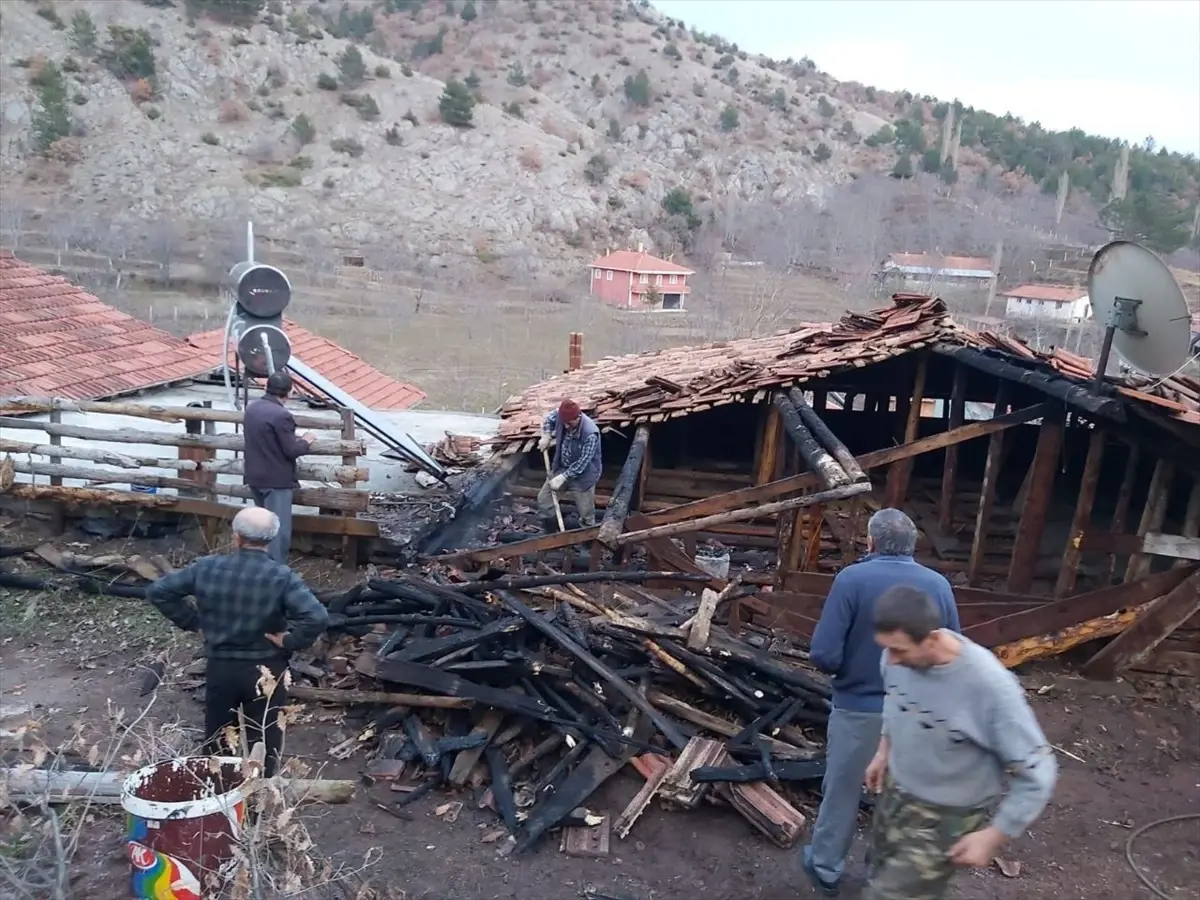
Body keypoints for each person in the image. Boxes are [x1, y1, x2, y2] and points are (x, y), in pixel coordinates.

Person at [801, 508, 961, 897]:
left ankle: (825, 868)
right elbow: (954, 652)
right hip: (916, 715)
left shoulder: (851, 580)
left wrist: (850, 668)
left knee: (841, 790)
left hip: (857, 710)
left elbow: (824, 653)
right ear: (913, 545)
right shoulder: (938, 585)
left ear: (870, 542)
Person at [863, 584, 1057, 900]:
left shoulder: (990, 689)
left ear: (933, 638)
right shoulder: (895, 658)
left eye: (899, 650)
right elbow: (896, 700)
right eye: (886, 648)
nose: (890, 660)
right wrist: (884, 751)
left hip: (945, 818)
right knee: (877, 870)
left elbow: (1039, 773)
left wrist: (995, 835)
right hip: (897, 795)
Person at [146, 507, 329, 777]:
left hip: (221, 666)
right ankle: (260, 792)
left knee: (218, 734)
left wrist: (193, 622)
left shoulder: (207, 568)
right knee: (265, 735)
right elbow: (317, 617)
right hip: (266, 671)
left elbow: (159, 591)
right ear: (272, 539)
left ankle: (217, 791)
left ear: (237, 537)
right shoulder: (281, 577)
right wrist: (289, 640)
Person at [243, 370, 316, 563]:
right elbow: (291, 450)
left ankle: (258, 567)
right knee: (277, 530)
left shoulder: (252, 409)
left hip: (254, 476)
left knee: (260, 530)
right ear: (289, 392)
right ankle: (276, 572)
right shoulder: (282, 415)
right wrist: (306, 441)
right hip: (276, 481)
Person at [536, 397, 602, 531]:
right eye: (564, 422)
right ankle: (551, 533)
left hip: (584, 475)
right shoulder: (562, 415)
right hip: (561, 467)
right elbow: (549, 418)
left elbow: (583, 463)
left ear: (578, 417)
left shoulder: (590, 433)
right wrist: (547, 435)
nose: (565, 426)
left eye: (569, 423)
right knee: (544, 501)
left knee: (586, 514)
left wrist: (563, 477)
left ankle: (586, 543)